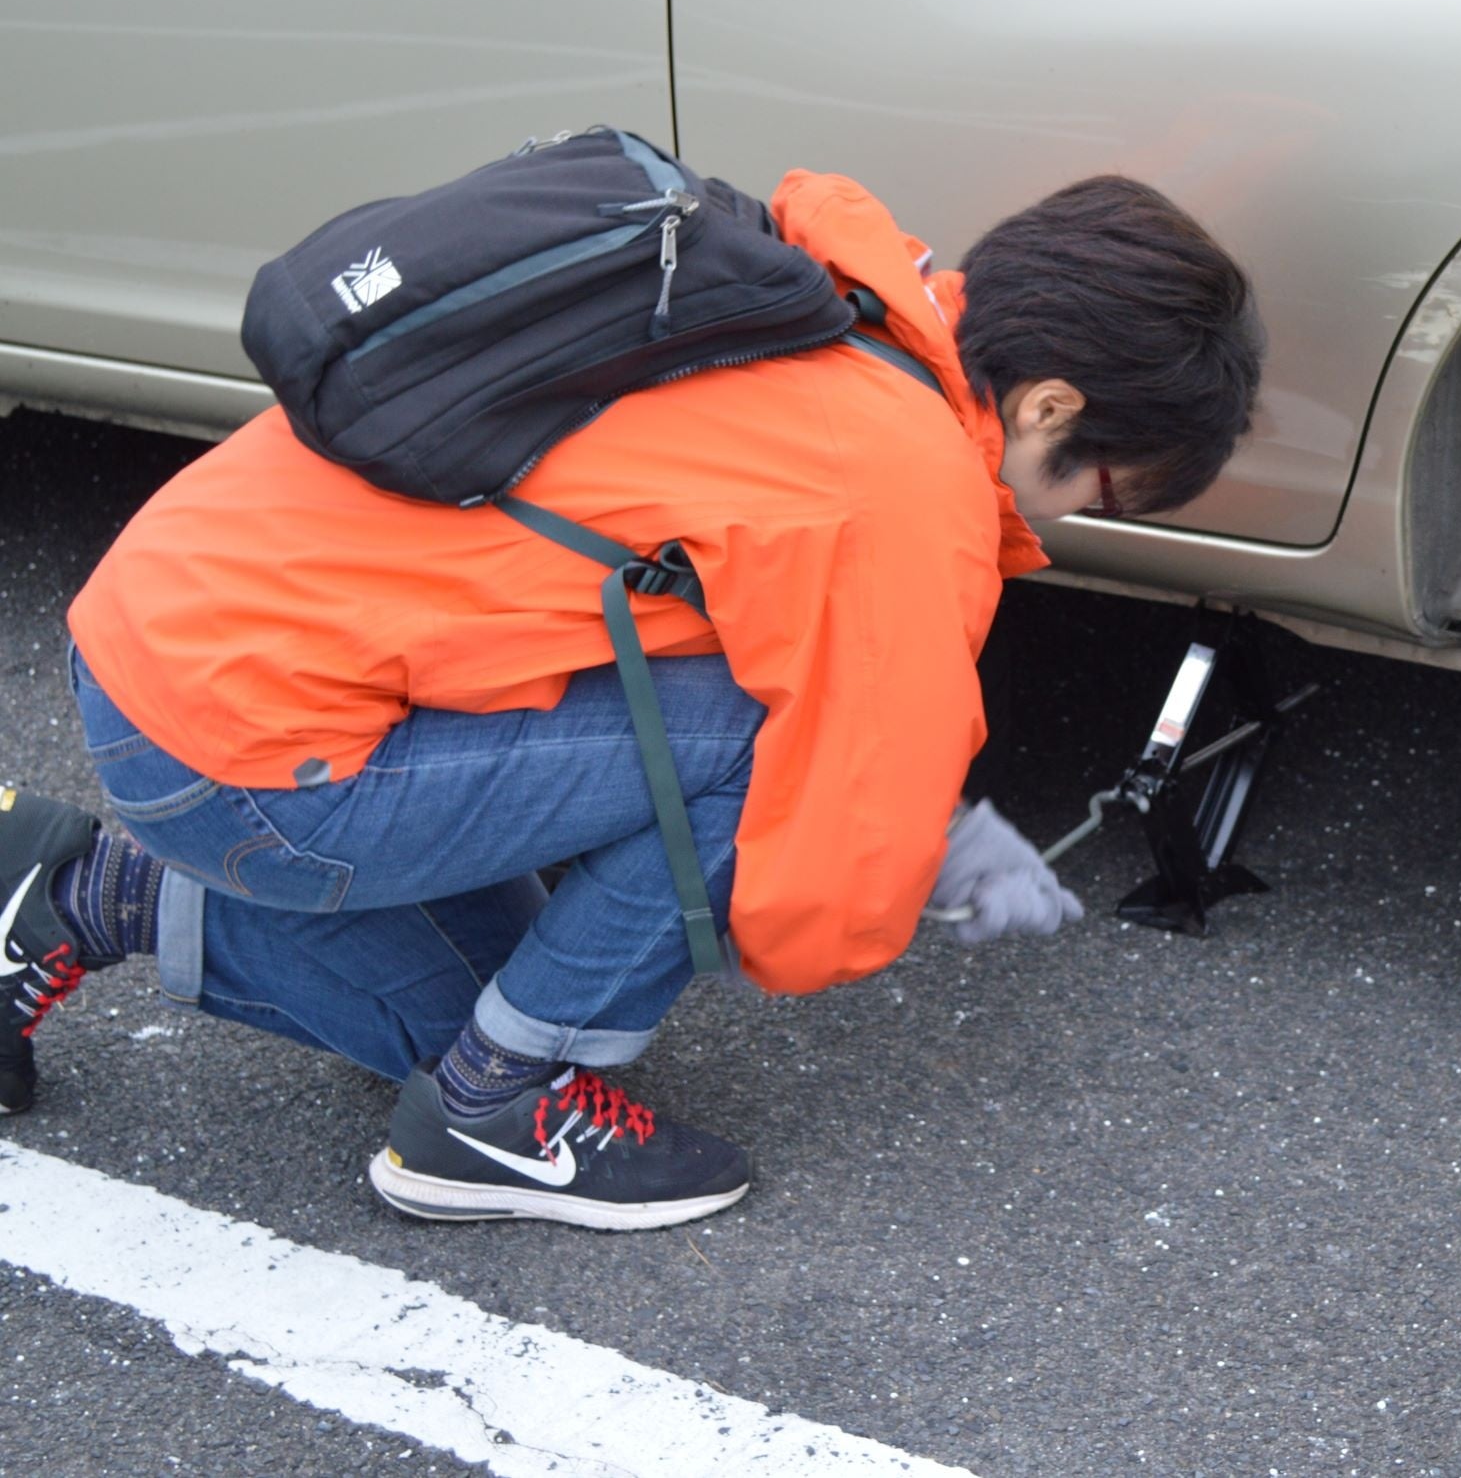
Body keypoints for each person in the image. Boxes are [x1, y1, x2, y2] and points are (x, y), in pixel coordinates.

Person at [0, 169, 1261, 1231]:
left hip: (172, 641)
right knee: (663, 856)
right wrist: (922, 849)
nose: (1082, 515)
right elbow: (833, 814)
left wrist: (913, 817)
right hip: (247, 751)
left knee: (509, 977)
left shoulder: (827, 298)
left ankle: (76, 894)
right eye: (1102, 485)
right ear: (1051, 406)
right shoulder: (896, 474)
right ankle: (496, 1113)